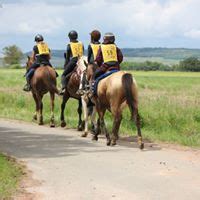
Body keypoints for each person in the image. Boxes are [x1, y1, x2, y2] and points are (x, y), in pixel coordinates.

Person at [77, 30, 101, 95]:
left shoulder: (90, 45)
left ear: (92, 37)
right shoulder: (102, 45)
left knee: (84, 73)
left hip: (92, 64)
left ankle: (82, 88)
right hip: (100, 64)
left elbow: (89, 57)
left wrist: (88, 63)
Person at [60, 30, 84, 94]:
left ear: (70, 37)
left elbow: (67, 58)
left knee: (63, 75)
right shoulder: (81, 43)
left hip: (74, 61)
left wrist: (66, 65)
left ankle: (63, 88)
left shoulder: (69, 45)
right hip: (82, 60)